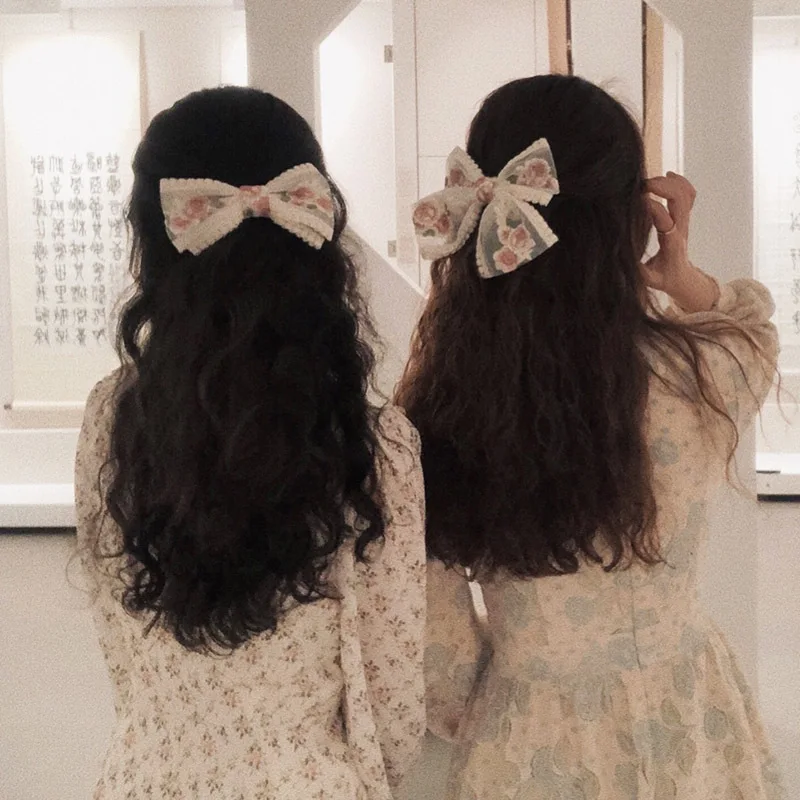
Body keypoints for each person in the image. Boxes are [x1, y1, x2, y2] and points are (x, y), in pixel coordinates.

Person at [396, 75, 785, 799]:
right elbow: (753, 329)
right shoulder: (701, 374)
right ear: (630, 217)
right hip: (688, 716)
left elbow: (438, 659)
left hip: (528, 742)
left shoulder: (443, 409)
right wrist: (682, 276)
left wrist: (503, 705)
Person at [76, 86, 426, 800]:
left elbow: (116, 630)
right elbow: (392, 697)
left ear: (154, 238)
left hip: (147, 776)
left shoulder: (111, 414)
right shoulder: (376, 444)